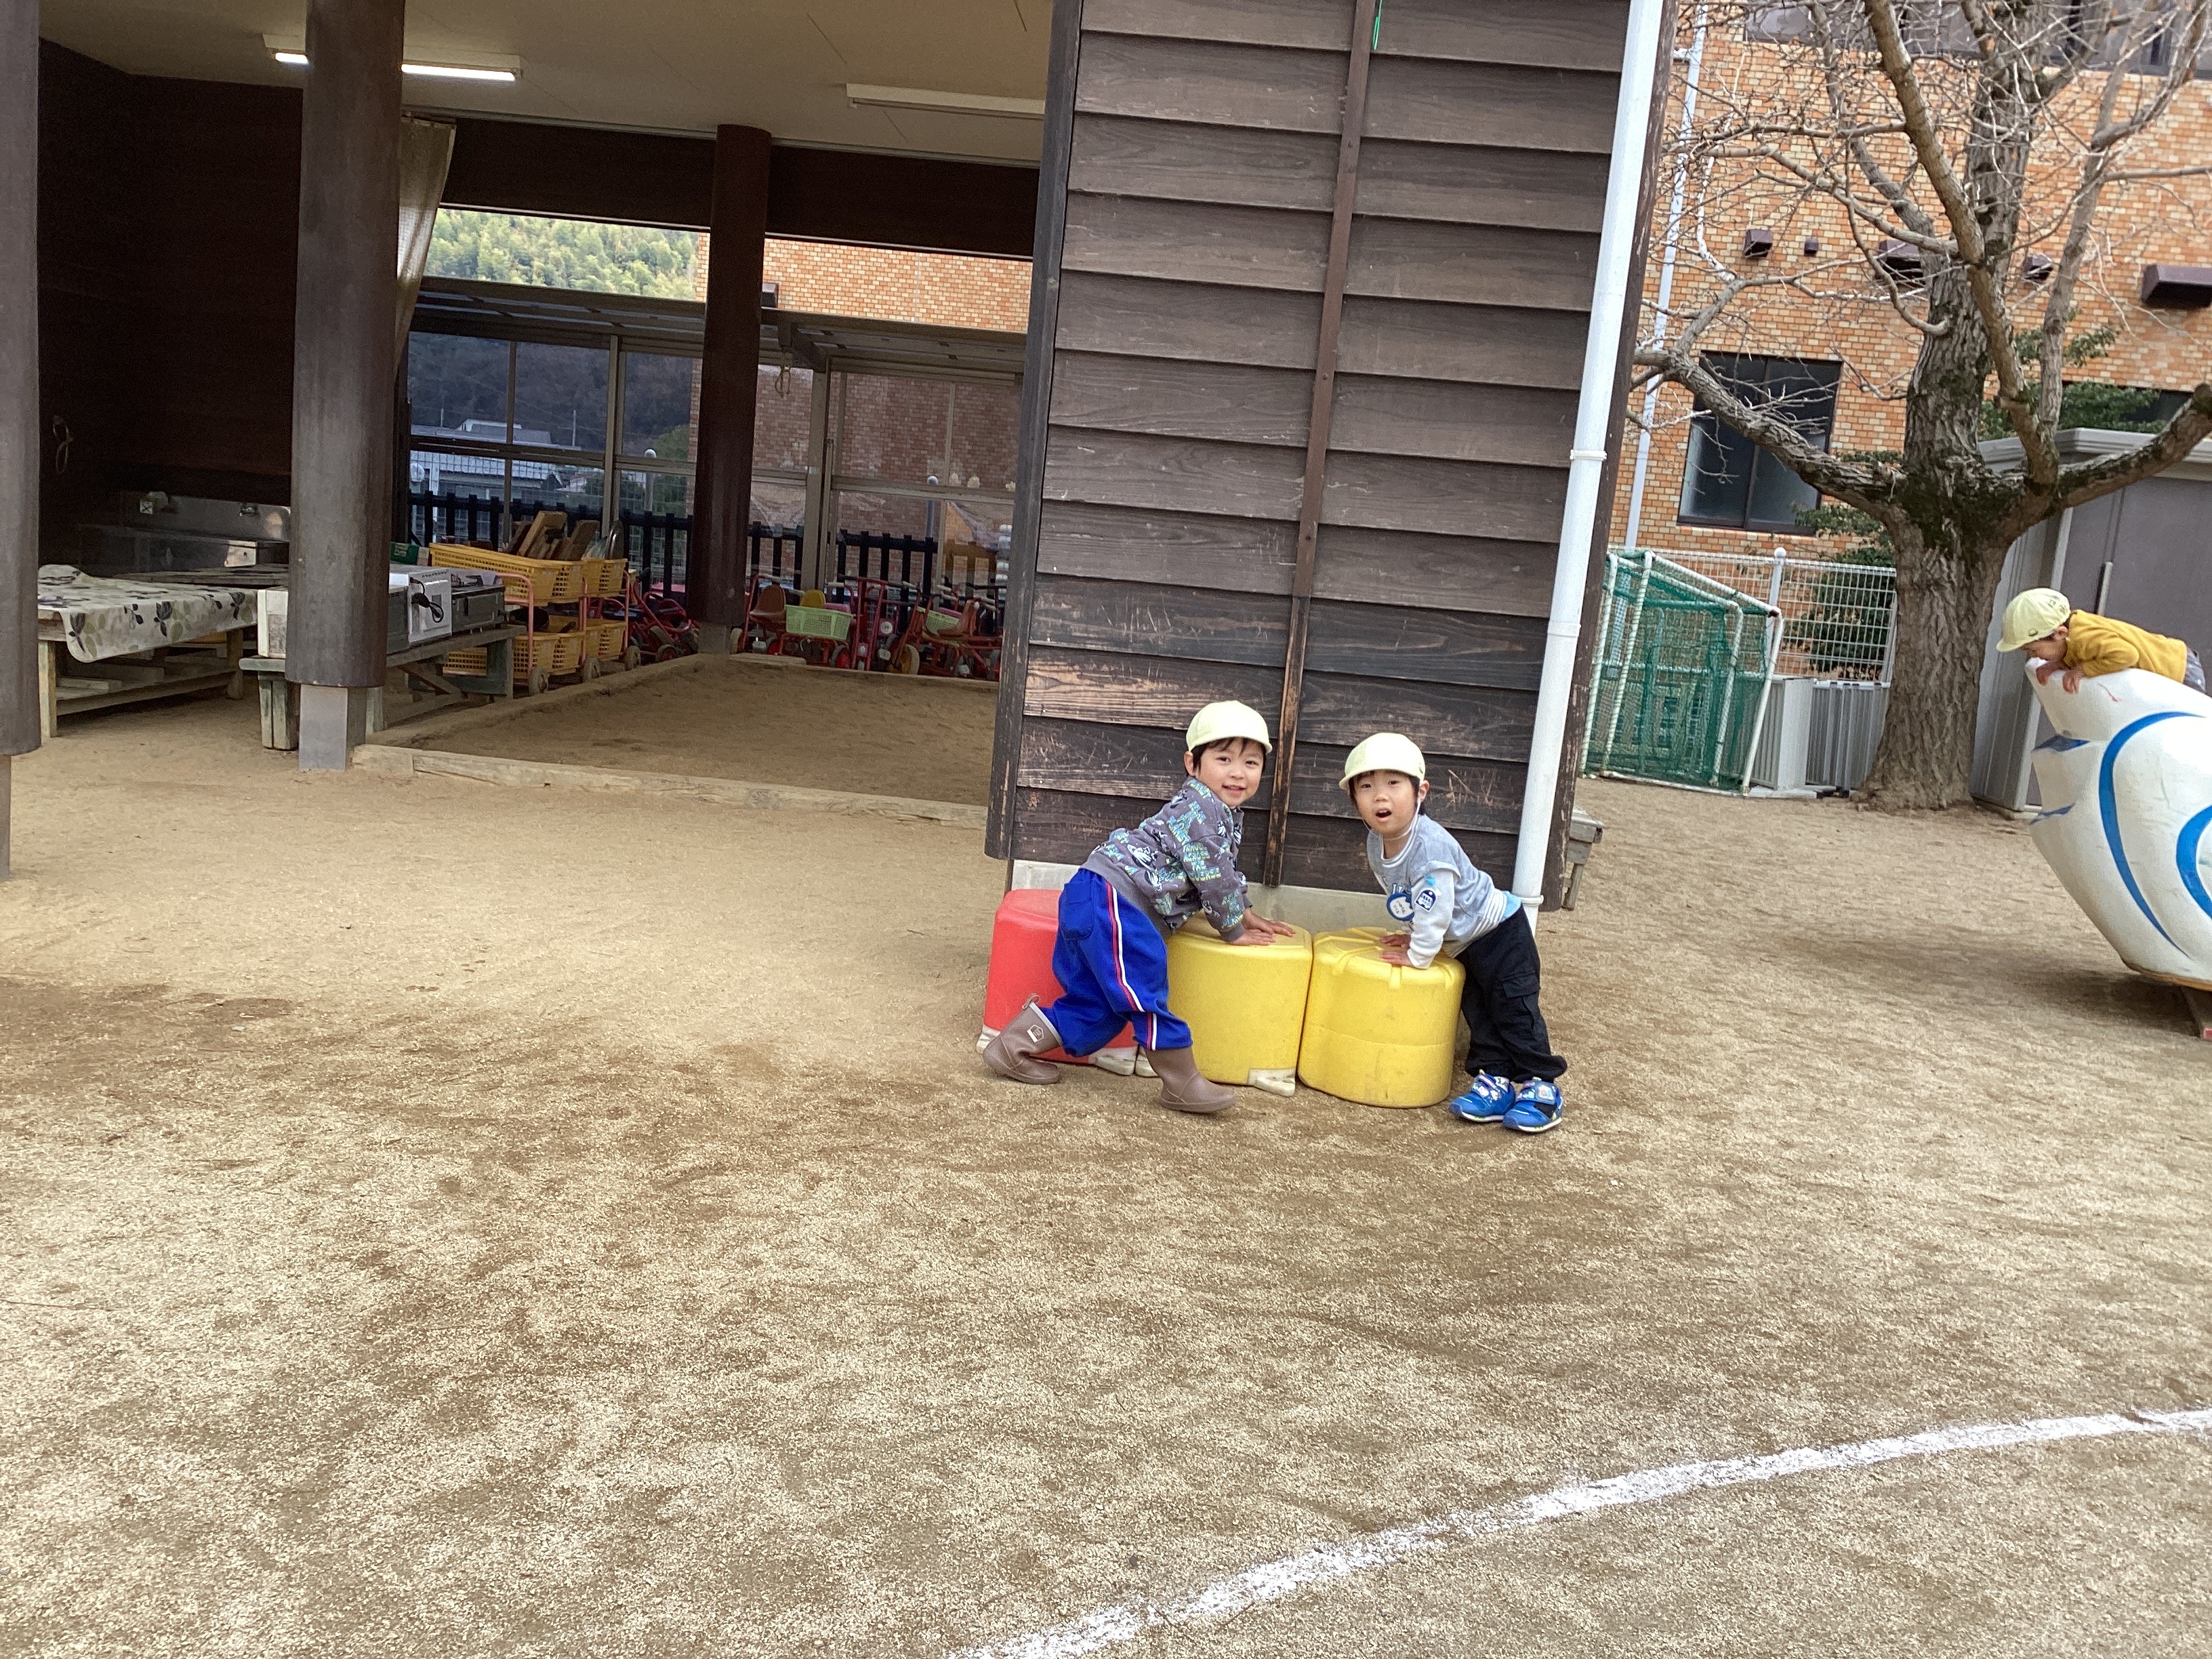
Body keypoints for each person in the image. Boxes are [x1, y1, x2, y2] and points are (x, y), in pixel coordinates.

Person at [983, 699, 1295, 1113]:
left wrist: (1245, 909)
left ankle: (1013, 1047)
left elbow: (1221, 869)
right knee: (1143, 990)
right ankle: (1181, 1082)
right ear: (1193, 764)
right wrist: (1233, 928)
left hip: (1096, 897)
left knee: (1100, 1009)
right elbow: (1213, 876)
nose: (1238, 773)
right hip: (1117, 901)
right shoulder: (1201, 810)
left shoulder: (1215, 812)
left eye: (1251, 763)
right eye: (1224, 759)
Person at [1342, 733, 1566, 1134]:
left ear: (1420, 792)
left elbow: (1437, 907)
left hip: (1501, 934)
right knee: (1478, 1012)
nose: (1380, 796)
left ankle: (1542, 1086)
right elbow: (1409, 897)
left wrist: (1418, 954)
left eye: (1393, 783)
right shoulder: (1378, 842)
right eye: (1366, 786)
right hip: (1465, 944)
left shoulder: (1430, 847)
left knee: (1514, 1010)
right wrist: (1413, 934)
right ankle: (1495, 1080)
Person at [1998, 587, 2204, 693]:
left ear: (2060, 633)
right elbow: (2074, 652)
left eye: (2034, 650)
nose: (2034, 656)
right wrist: (2059, 663)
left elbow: (2127, 655)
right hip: (2175, 659)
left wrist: (2082, 670)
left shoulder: (2084, 638)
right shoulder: (2073, 631)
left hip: (2178, 669)